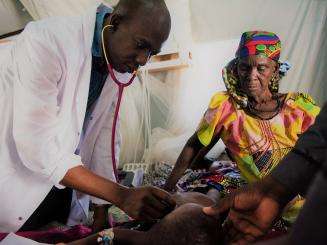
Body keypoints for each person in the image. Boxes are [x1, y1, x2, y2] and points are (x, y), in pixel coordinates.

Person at [0, 0, 176, 233]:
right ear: (115, 23)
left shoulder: (116, 61)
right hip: (17, 177)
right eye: (141, 44)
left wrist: (101, 212)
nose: (143, 60)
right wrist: (120, 195)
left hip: (60, 181)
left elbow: (104, 136)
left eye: (152, 52)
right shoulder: (47, 41)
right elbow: (36, 146)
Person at [164, 31, 320, 223]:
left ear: (274, 69)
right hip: (267, 208)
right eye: (245, 67)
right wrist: (166, 189)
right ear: (236, 68)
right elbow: (193, 147)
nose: (251, 76)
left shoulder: (299, 107)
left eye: (261, 68)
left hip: (311, 201)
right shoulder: (226, 109)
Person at [203, 102, 327, 244]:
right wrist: (274, 191)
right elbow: (322, 134)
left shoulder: (299, 104)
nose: (251, 79)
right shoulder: (225, 106)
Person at [61, 192, 223, 245]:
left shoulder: (144, 239)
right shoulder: (146, 238)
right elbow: (112, 235)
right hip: (193, 204)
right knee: (211, 196)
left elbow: (110, 235)